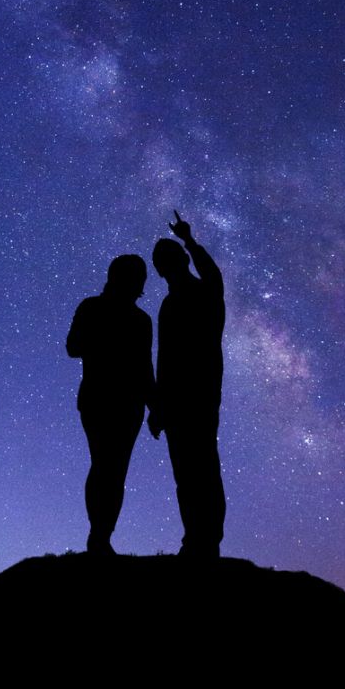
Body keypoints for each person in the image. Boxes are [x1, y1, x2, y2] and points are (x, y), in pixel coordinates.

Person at [148, 212, 226, 559]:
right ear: (160, 270)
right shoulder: (167, 306)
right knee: (185, 474)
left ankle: (207, 541)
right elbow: (164, 360)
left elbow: (212, 273)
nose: (168, 266)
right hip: (176, 401)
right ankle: (194, 538)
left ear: (181, 260)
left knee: (204, 468)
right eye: (163, 263)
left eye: (172, 258)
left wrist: (189, 240)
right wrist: (159, 407)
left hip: (201, 395)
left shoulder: (205, 292)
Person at [67, 255, 157, 555]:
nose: (140, 282)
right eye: (137, 276)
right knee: (106, 466)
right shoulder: (93, 307)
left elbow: (146, 368)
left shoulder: (141, 320)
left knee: (114, 470)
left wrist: (154, 407)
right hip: (100, 398)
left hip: (126, 403)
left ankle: (101, 536)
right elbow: (73, 347)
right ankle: (99, 537)